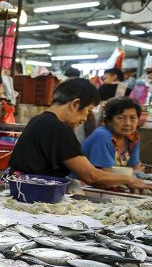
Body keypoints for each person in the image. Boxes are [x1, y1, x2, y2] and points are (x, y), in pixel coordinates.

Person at [9, 78, 148, 190]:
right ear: (75, 104)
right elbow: (92, 176)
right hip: (28, 192)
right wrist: (128, 179)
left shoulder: (41, 120)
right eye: (88, 110)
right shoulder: (58, 128)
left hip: (20, 188)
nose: (86, 118)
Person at [82, 97, 144, 172]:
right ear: (109, 120)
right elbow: (104, 173)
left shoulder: (133, 137)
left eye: (133, 118)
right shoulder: (102, 136)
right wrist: (131, 173)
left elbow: (135, 166)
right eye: (121, 118)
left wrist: (133, 172)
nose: (128, 123)